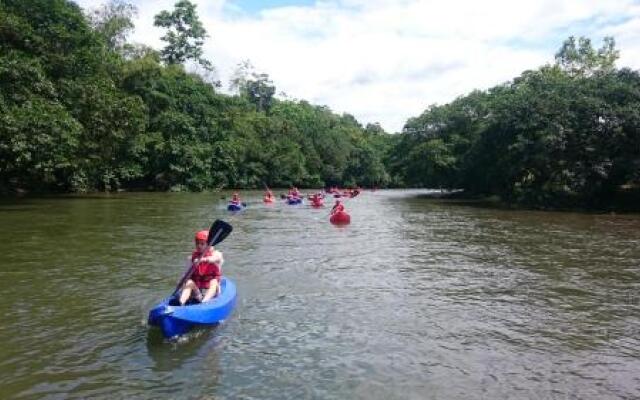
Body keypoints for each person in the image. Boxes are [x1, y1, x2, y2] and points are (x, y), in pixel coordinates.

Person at [178, 230, 224, 305]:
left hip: (209, 290)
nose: (199, 246)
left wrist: (203, 259)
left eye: (202, 244)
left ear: (208, 245)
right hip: (197, 290)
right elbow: (187, 273)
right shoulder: (193, 257)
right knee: (189, 282)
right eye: (197, 244)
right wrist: (183, 280)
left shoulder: (216, 254)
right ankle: (181, 303)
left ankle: (204, 303)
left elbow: (215, 259)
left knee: (214, 282)